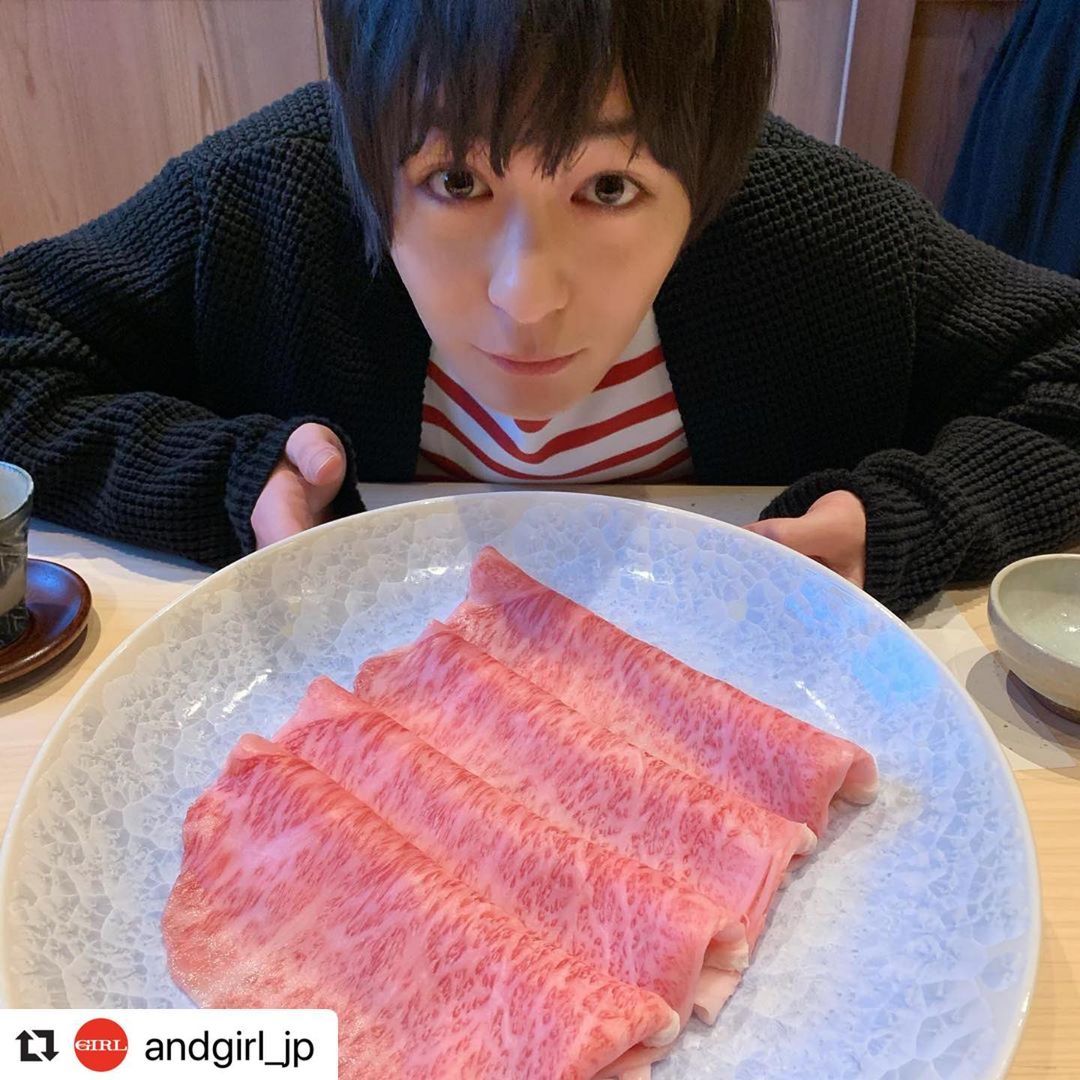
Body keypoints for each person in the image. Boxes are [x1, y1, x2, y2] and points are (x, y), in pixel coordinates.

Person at [0, 0, 1077, 618]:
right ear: (366, 147)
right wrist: (222, 478)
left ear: (710, 163)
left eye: (608, 187)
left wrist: (914, 518)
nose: (524, 297)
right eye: (455, 181)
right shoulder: (266, 197)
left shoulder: (818, 231)